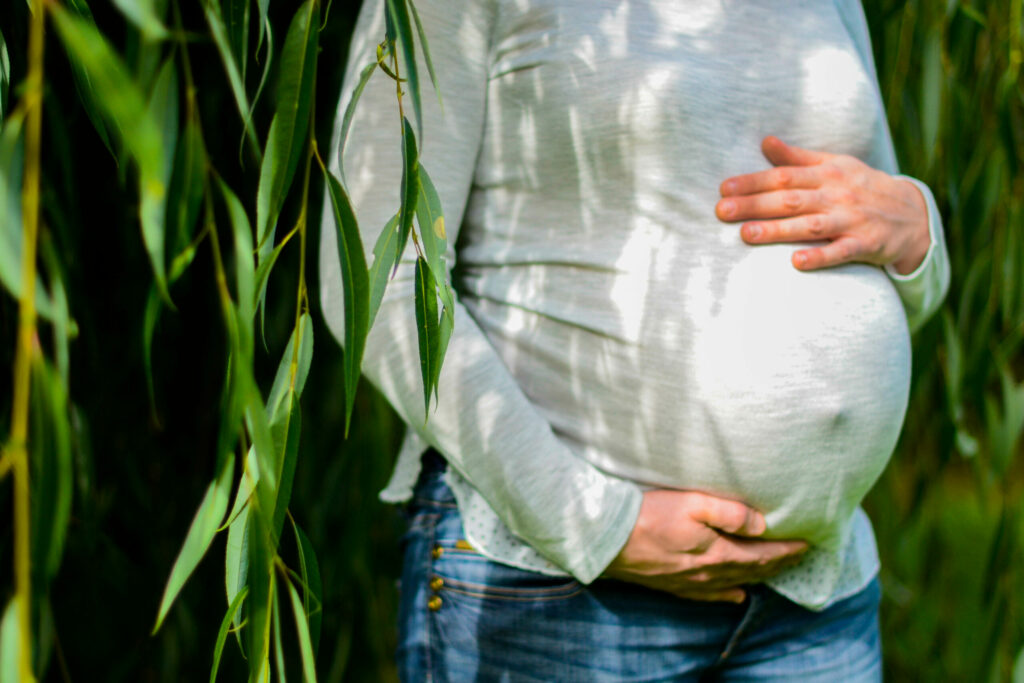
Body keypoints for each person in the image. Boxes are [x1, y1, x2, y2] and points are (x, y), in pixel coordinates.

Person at [320, 0, 951, 680]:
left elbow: (872, 238)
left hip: (816, 598)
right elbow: (373, 284)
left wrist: (919, 231)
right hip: (562, 596)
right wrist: (594, 524)